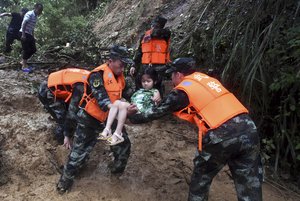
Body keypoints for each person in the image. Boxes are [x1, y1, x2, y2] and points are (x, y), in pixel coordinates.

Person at [129, 58, 262, 201]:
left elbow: (156, 113)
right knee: (250, 185)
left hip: (221, 135)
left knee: (201, 178)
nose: (171, 79)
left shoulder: (183, 90)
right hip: (249, 130)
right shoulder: (206, 79)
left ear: (179, 75)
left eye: (172, 75)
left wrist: (132, 117)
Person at [56, 45, 135, 194]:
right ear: (110, 60)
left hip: (109, 120)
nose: (123, 66)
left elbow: (128, 93)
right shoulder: (97, 75)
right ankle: (64, 184)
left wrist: (143, 97)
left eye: (125, 64)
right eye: (121, 63)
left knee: (123, 146)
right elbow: (103, 101)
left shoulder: (120, 76)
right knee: (78, 154)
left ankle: (115, 172)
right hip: (90, 120)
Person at [98, 67, 161, 145]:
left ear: (154, 82)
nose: (145, 83)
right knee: (117, 102)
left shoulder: (154, 91)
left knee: (122, 104)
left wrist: (157, 98)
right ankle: (107, 129)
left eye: (148, 81)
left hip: (143, 112)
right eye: (143, 81)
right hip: (134, 108)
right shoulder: (139, 91)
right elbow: (132, 101)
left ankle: (118, 134)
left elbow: (157, 98)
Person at [38, 68, 90, 147]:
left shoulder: (92, 77)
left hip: (58, 87)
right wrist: (67, 135)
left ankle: (68, 135)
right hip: (48, 91)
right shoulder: (81, 87)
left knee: (74, 116)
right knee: (63, 119)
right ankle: (61, 143)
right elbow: (71, 113)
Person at [130, 15, 171, 96]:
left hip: (159, 67)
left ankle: (158, 105)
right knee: (141, 86)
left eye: (156, 25)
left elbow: (157, 33)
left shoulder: (165, 34)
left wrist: (151, 32)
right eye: (153, 25)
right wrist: (134, 65)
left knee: (157, 88)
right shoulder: (145, 36)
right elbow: (139, 52)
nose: (153, 27)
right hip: (145, 66)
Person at [19, 3, 43, 71]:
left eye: (41, 11)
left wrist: (33, 36)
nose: (40, 12)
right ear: (35, 8)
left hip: (29, 34)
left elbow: (32, 28)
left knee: (33, 49)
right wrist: (23, 34)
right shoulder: (29, 14)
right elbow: (24, 23)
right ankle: (24, 65)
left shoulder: (35, 16)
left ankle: (23, 61)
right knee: (26, 50)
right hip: (23, 33)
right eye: (39, 10)